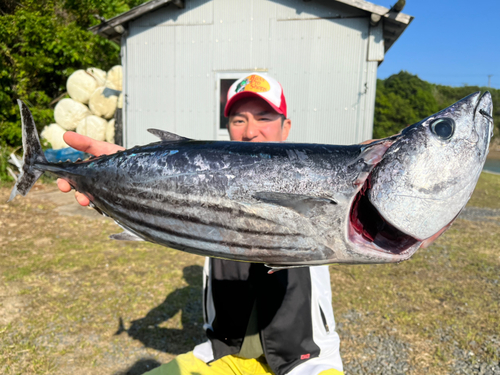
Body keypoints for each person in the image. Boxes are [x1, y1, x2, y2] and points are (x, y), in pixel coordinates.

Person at [57, 73, 344, 375]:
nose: (250, 132)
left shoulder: (313, 179)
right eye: (238, 120)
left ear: (286, 126)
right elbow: (165, 203)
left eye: (264, 118)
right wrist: (125, 182)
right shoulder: (211, 182)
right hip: (224, 356)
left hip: (305, 360)